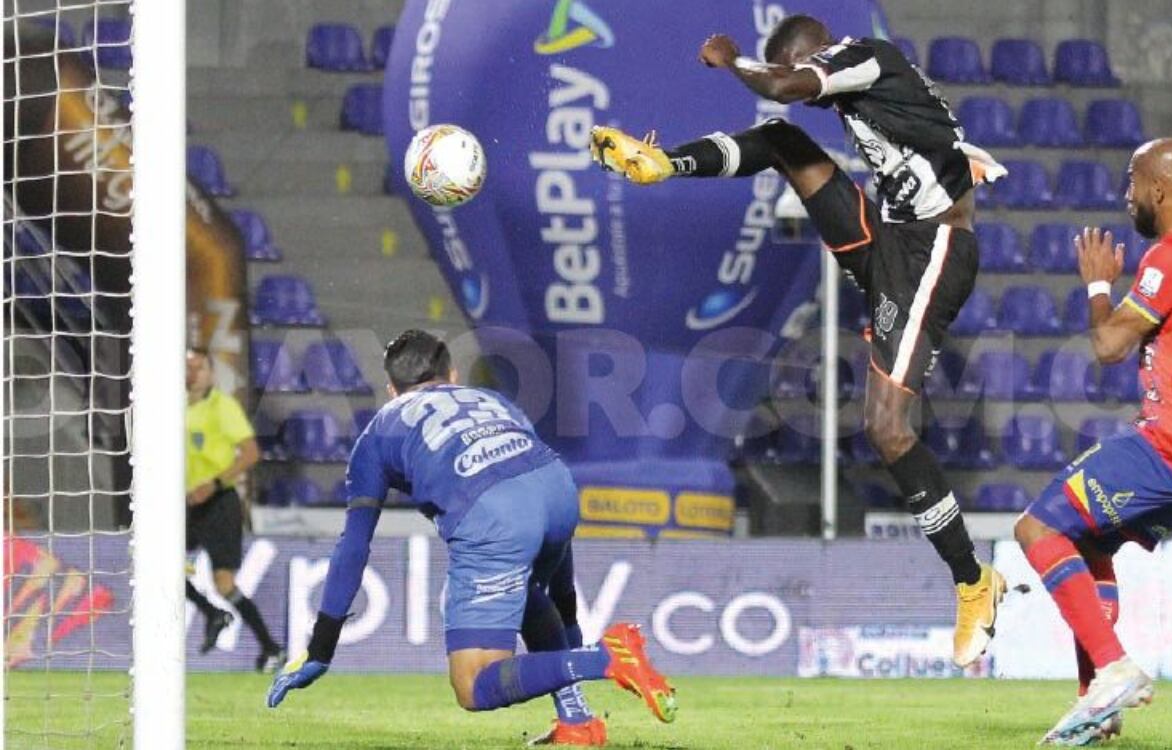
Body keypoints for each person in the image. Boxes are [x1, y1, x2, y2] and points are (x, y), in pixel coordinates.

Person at [589, 14, 1007, 666]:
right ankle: (664, 164)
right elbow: (789, 105)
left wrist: (734, 64)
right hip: (890, 240)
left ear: (815, 58)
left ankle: (974, 582)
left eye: (802, 71)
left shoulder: (866, 57)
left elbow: (785, 87)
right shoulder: (860, 88)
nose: (808, 87)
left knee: (888, 428)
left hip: (935, 248)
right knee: (784, 142)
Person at [266, 330, 676, 744]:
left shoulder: (377, 434)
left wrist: (321, 648)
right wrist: (566, 612)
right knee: (529, 593)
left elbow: (354, 546)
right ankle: (578, 721)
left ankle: (604, 658)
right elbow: (536, 493)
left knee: (474, 683)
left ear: (392, 390)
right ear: (453, 373)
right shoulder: (494, 401)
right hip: (559, 489)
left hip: (493, 514)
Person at [1015, 138, 1172, 745]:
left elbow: (1108, 347)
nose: (1126, 194)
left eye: (1132, 182)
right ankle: (1097, 706)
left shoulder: (1168, 258)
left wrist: (1099, 286)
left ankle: (1113, 669)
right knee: (1088, 540)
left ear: (1159, 190)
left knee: (1037, 529)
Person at [185, 347, 283, 670]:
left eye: (199, 367)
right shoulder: (171, 407)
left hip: (218, 501)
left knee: (223, 583)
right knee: (156, 568)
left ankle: (271, 648)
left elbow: (251, 452)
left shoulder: (222, 407)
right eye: (187, 367)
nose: (192, 373)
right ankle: (213, 613)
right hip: (183, 503)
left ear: (211, 373)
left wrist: (213, 484)